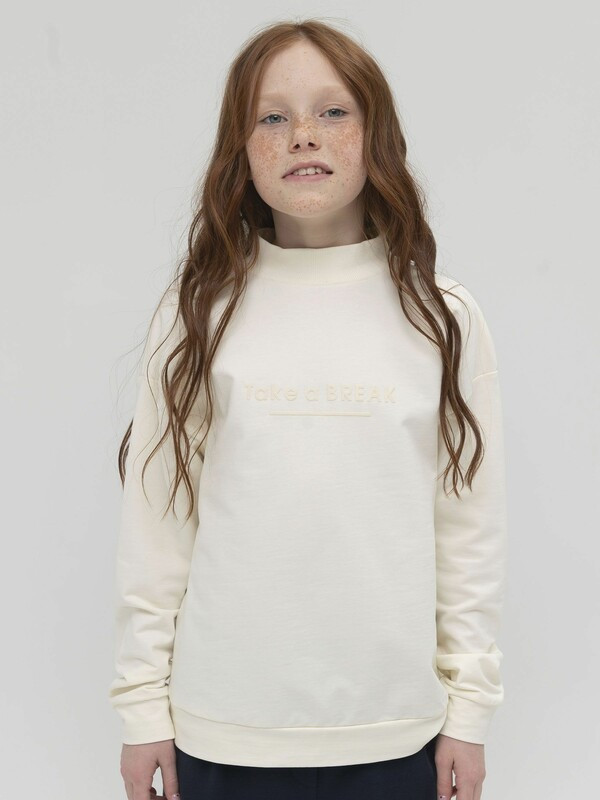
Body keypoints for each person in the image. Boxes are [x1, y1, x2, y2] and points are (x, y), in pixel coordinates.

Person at [108, 18, 508, 800]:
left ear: (375, 135)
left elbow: (469, 531)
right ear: (241, 148)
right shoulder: (199, 314)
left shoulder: (442, 316)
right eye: (272, 116)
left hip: (397, 733)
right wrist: (140, 709)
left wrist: (470, 713)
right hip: (222, 732)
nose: (302, 135)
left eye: (332, 110)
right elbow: (157, 527)